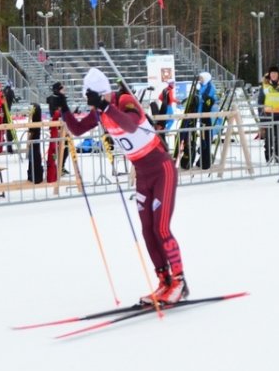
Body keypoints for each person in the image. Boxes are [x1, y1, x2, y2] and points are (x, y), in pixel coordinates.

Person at [60, 68, 188, 305]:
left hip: (161, 169)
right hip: (142, 174)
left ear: (105, 93)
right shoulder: (101, 110)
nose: (96, 105)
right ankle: (164, 281)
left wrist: (106, 106)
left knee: (161, 227)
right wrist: (63, 107)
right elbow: (77, 129)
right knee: (147, 229)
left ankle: (179, 282)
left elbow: (130, 125)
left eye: (97, 99)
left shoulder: (124, 100)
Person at [257, 66, 279, 163]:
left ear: (278, 75)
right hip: (268, 115)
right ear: (269, 75)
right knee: (268, 137)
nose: (273, 75)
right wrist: (261, 116)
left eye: (275, 73)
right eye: (271, 73)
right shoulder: (264, 86)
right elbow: (260, 102)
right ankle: (268, 157)